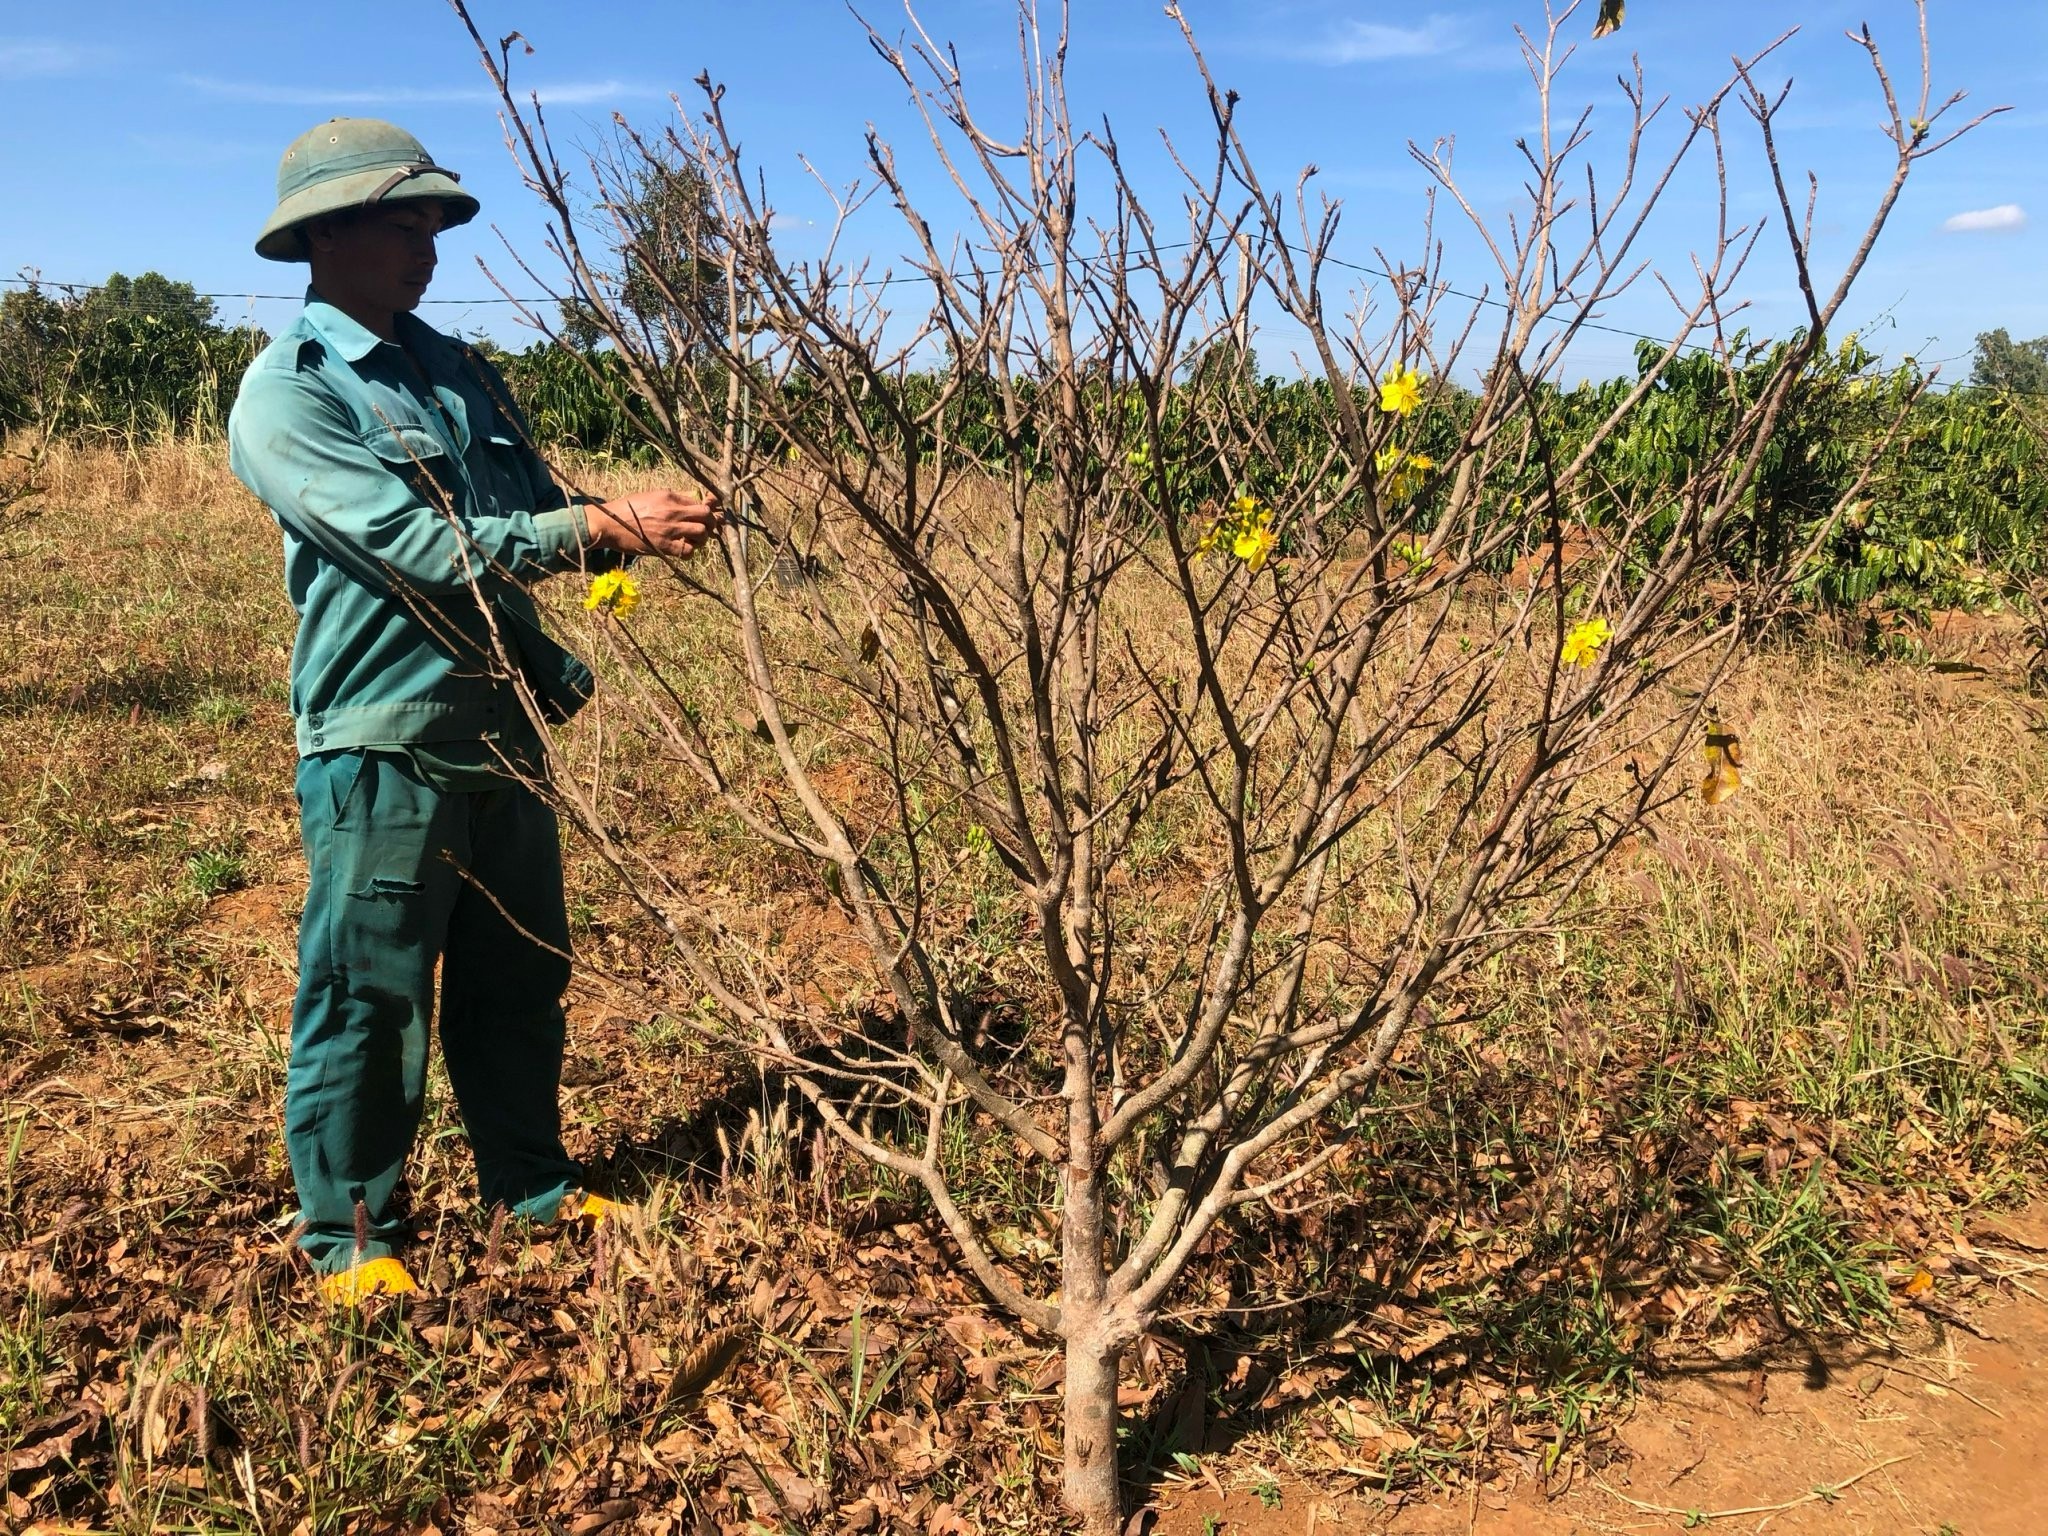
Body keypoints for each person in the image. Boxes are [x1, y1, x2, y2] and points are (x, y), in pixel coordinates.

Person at [228, 118, 719, 1302]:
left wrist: (612, 523)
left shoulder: (456, 369)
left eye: (436, 224)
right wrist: (590, 528)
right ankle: (350, 1237)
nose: (427, 247)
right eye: (404, 223)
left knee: (519, 975)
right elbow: (411, 545)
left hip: (500, 730)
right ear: (325, 233)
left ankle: (531, 1184)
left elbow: (530, 506)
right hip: (382, 737)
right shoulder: (290, 395)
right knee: (368, 992)